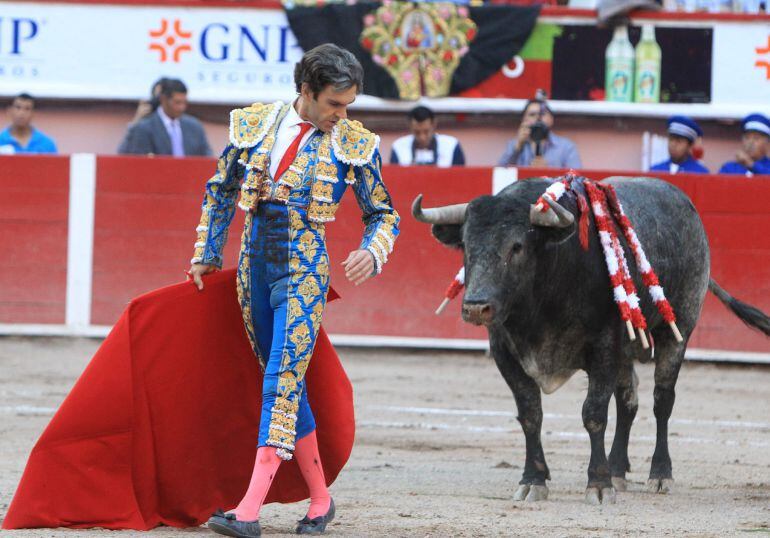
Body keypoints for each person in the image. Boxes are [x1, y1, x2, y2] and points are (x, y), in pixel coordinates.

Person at [188, 44, 400, 537]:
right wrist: (206, 251)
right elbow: (221, 188)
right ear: (306, 91)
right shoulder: (256, 124)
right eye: (334, 104)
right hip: (252, 272)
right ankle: (321, 501)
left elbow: (383, 213)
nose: (341, 115)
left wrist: (374, 249)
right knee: (284, 380)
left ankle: (249, 508)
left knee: (281, 379)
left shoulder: (355, 143)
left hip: (304, 274)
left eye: (348, 105)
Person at [118, 78, 212, 157]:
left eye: (184, 103)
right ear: (163, 99)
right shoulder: (145, 128)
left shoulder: (195, 127)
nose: (181, 108)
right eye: (177, 103)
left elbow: (207, 158)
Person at [497, 97, 581, 169]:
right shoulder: (514, 144)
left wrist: (549, 171)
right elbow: (498, 175)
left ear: (551, 119)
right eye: (532, 114)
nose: (538, 118)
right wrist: (518, 146)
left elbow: (577, 179)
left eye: (542, 114)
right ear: (523, 120)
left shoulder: (566, 147)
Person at [389, 105, 465, 166]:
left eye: (426, 131)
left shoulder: (451, 146)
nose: (422, 137)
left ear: (434, 124)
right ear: (410, 127)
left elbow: (460, 179)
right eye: (417, 132)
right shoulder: (398, 147)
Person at [117, 77, 169, 154]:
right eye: (157, 99)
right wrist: (137, 120)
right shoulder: (145, 124)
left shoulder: (183, 124)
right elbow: (123, 151)